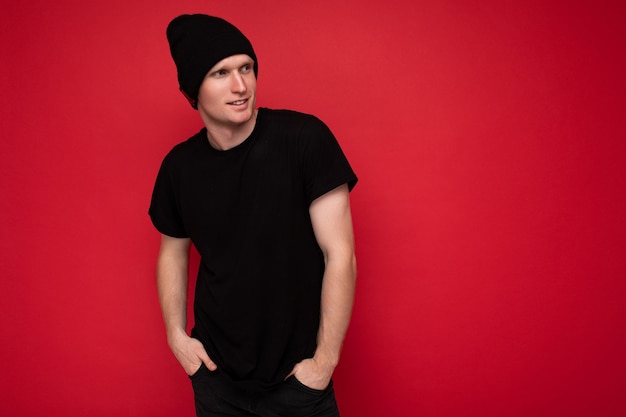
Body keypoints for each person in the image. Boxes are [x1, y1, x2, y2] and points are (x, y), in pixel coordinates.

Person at [149, 14, 358, 417]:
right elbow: (172, 252)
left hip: (298, 383)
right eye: (221, 72)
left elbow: (340, 255)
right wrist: (177, 337)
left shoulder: (304, 139)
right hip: (216, 381)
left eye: (247, 68)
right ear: (193, 91)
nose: (241, 85)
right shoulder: (179, 167)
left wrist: (323, 364)